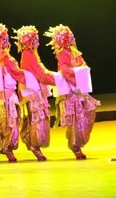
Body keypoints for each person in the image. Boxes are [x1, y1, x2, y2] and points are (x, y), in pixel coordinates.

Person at [44, 24, 100, 160]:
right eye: (66, 37)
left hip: (80, 89)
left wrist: (83, 70)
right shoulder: (63, 53)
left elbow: (83, 64)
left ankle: (79, 142)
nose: (69, 39)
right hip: (72, 91)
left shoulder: (74, 51)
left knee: (89, 112)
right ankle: (76, 146)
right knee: (76, 119)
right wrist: (76, 78)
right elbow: (64, 70)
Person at [0, 23, 25, 163]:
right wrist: (30, 77)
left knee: (9, 119)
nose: (6, 41)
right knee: (8, 120)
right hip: (4, 93)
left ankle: (6, 147)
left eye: (6, 38)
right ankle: (7, 147)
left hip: (5, 92)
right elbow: (14, 72)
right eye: (3, 39)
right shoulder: (1, 57)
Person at [14, 25, 54, 161]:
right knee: (35, 118)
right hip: (33, 91)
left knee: (37, 117)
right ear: (29, 41)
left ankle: (35, 145)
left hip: (36, 90)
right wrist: (56, 79)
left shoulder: (31, 54)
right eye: (35, 39)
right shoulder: (28, 55)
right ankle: (34, 146)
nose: (37, 42)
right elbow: (39, 73)